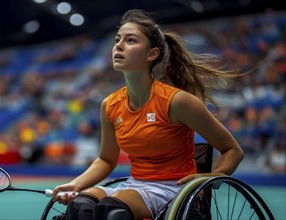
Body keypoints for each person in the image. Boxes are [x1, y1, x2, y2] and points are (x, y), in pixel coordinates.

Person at [52, 9, 244, 220]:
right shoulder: (109, 105)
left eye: (131, 40)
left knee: (111, 211)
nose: (119, 45)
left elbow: (232, 150)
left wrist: (214, 176)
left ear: (152, 54)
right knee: (81, 206)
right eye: (118, 40)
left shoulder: (177, 101)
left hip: (173, 190)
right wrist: (76, 184)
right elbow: (106, 159)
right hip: (134, 185)